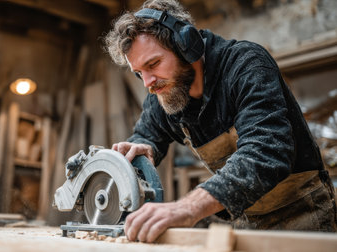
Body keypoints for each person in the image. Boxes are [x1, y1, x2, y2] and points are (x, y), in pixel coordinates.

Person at [104, 0, 337, 243]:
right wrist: (143, 148)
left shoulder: (246, 65)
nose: (148, 83)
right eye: (139, 72)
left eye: (153, 64)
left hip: (302, 213)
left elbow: (266, 151)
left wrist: (188, 207)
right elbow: (147, 135)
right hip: (243, 219)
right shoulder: (165, 94)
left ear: (186, 45)